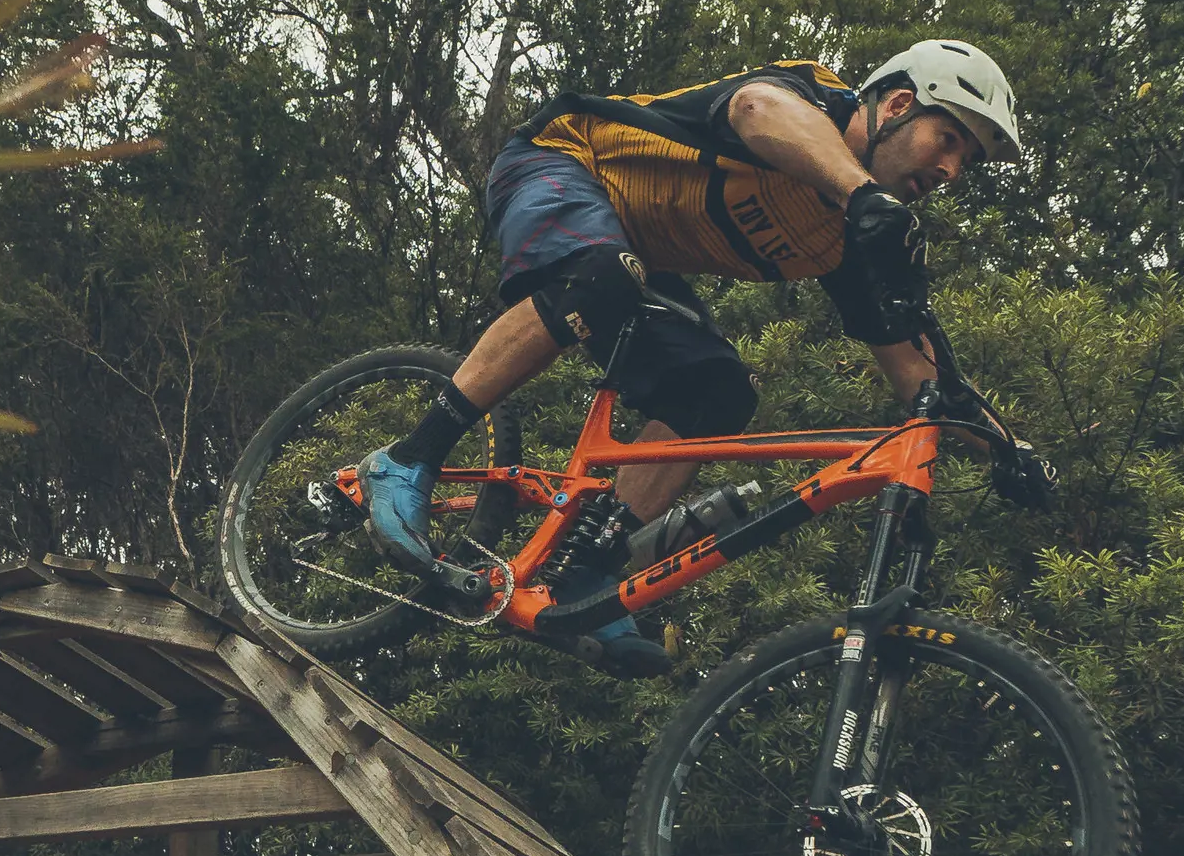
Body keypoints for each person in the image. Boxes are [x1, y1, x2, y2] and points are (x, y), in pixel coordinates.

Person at [361, 39, 1026, 676]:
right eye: (950, 140)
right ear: (899, 105)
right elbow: (754, 110)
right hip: (558, 162)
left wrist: (1007, 448)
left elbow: (920, 379)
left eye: (966, 161)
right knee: (606, 271)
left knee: (719, 393)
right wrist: (864, 196)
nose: (950, 171)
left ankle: (586, 568)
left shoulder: (849, 238)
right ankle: (408, 458)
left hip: (633, 257)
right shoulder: (815, 103)